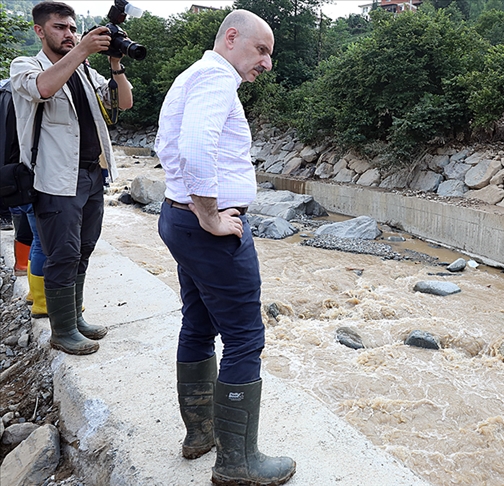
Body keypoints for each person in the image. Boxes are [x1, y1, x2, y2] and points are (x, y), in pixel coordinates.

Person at [155, 9, 295, 486]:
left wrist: (196, 211)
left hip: (177, 218)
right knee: (244, 339)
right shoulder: (217, 78)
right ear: (231, 38)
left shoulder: (193, 75)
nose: (267, 63)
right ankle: (238, 463)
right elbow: (195, 147)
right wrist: (212, 215)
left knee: (197, 323)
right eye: (261, 51)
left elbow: (165, 146)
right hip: (205, 228)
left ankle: (201, 435)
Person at [9, 1, 133, 355]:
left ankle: (74, 318)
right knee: (61, 253)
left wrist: (115, 65)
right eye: (60, 27)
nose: (69, 34)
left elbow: (123, 104)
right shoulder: (26, 66)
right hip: (54, 179)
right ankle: (61, 330)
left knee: (84, 248)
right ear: (40, 30)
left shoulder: (84, 72)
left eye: (73, 28)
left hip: (93, 174)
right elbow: (42, 89)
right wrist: (81, 50)